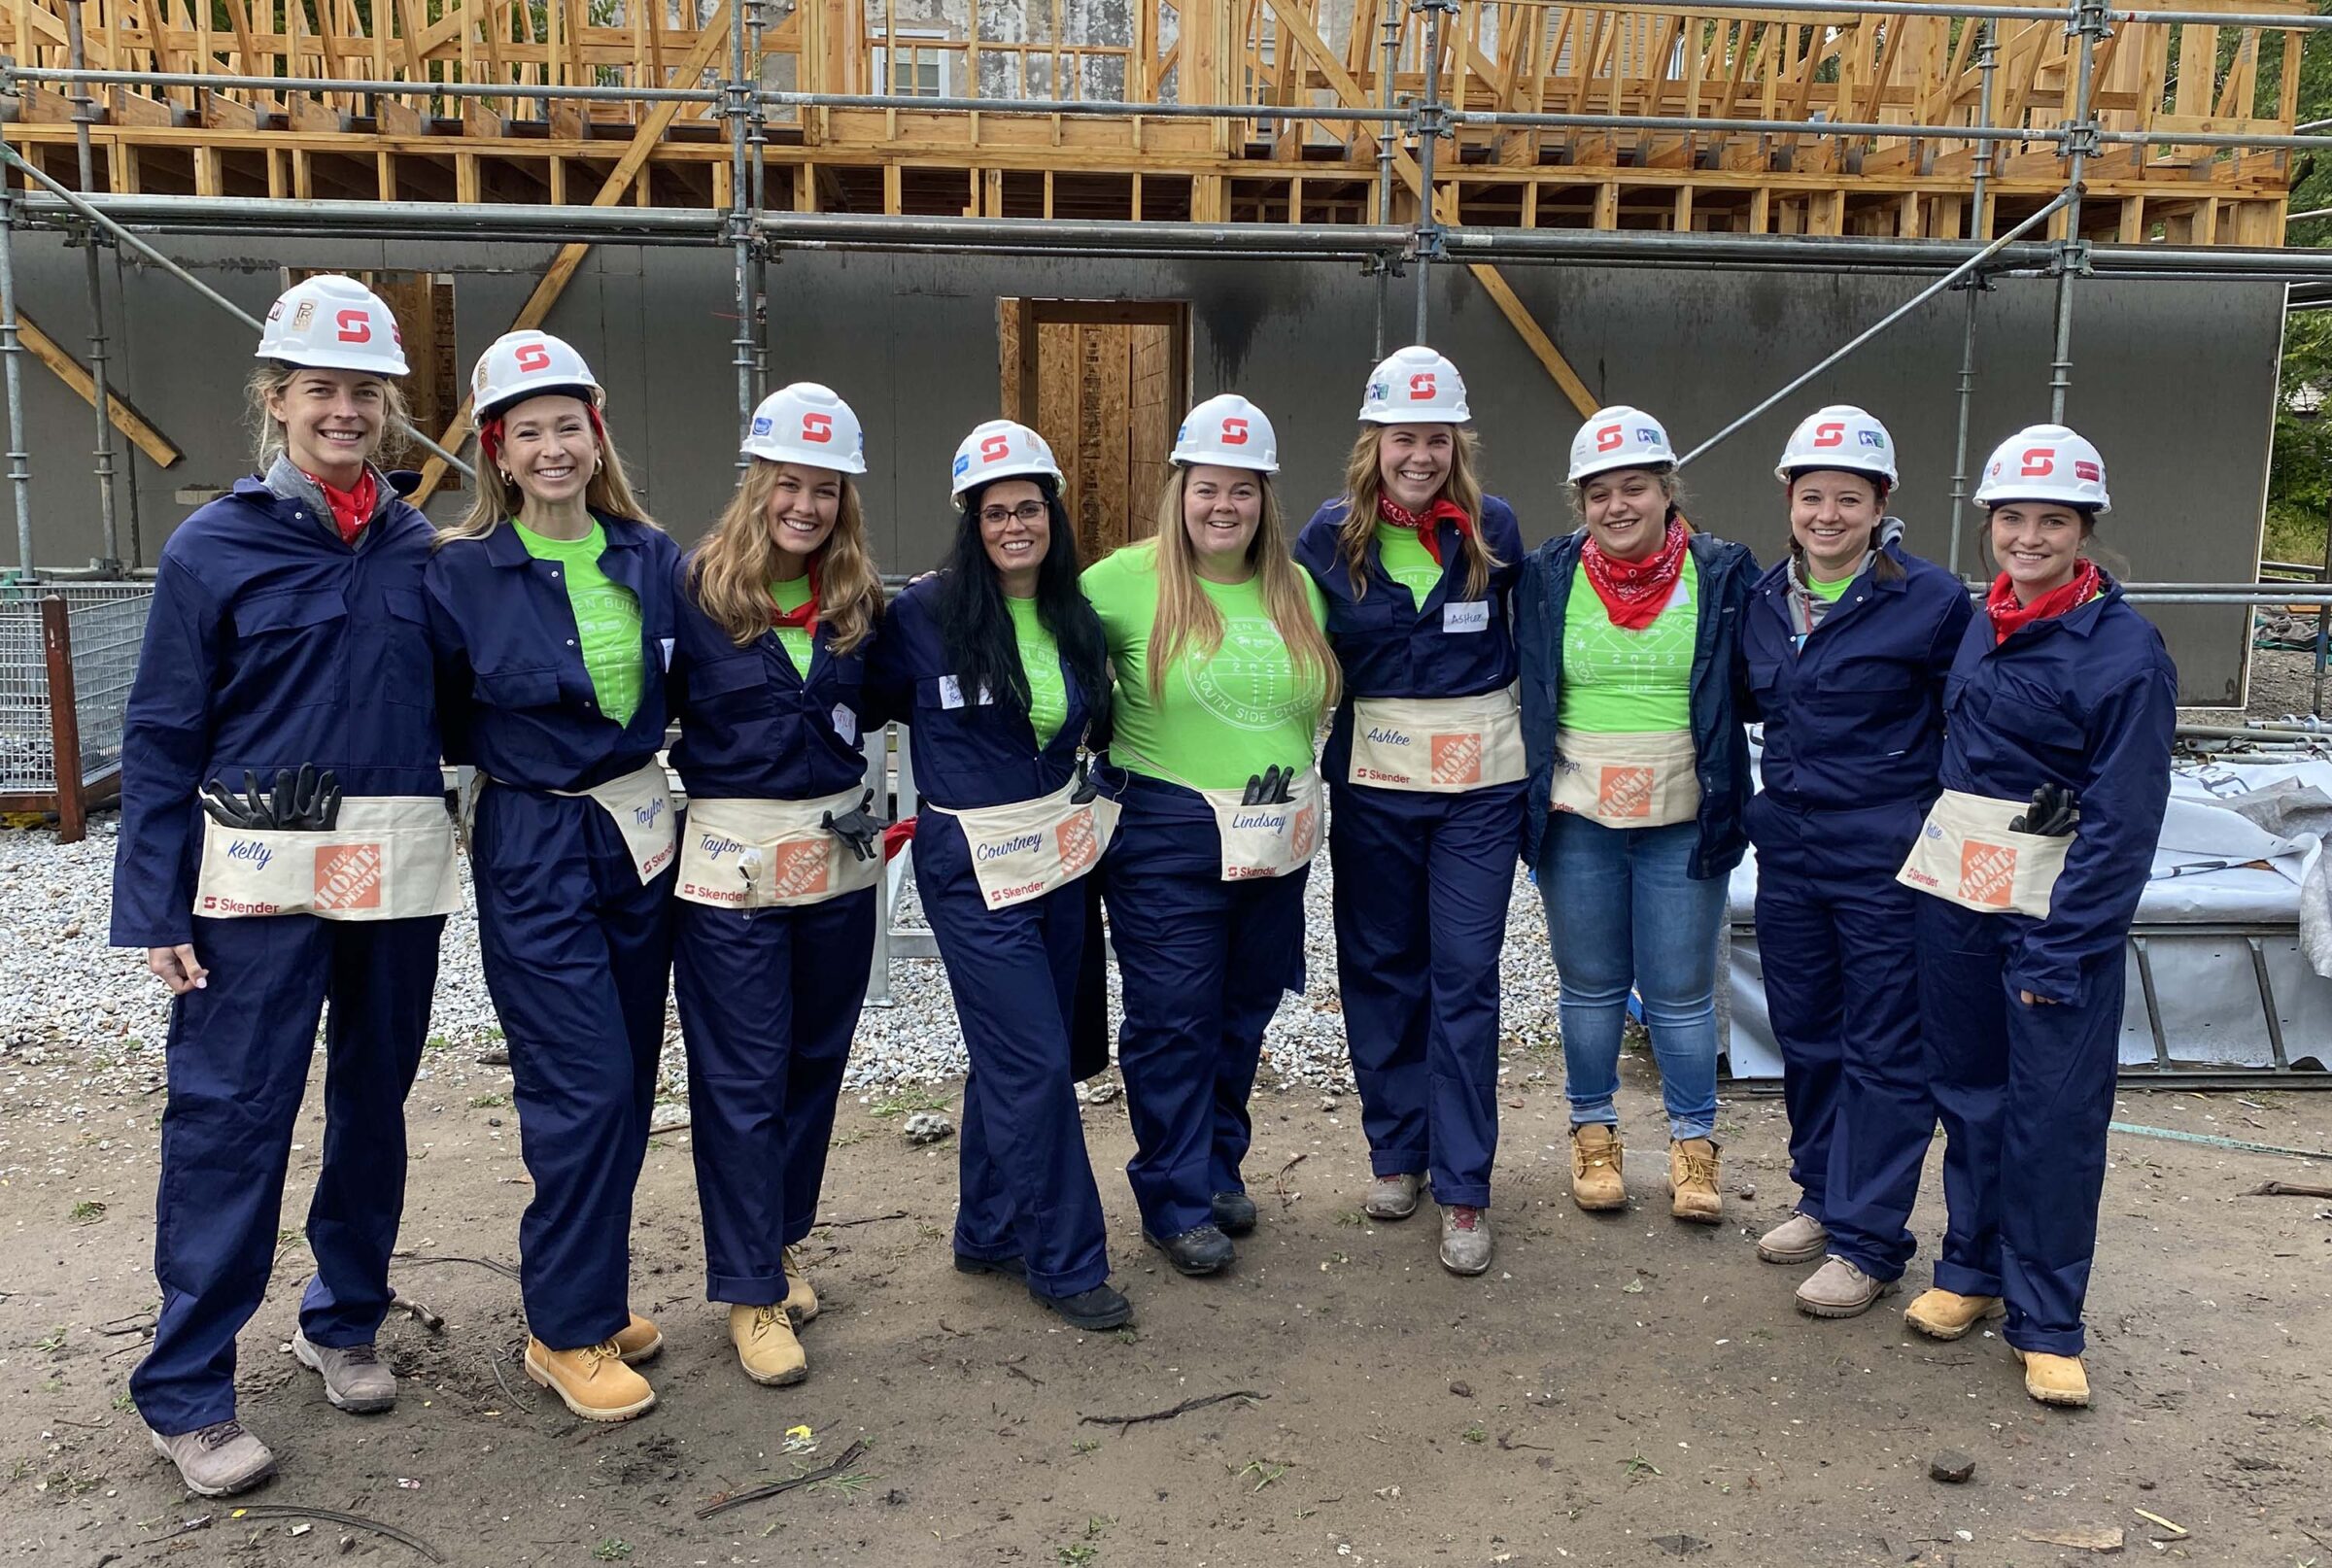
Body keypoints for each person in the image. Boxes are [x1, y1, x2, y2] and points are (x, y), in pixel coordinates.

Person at [113, 275, 456, 1497]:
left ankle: (343, 1318)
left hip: (391, 882)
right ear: (276, 399)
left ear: (390, 406)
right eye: (321, 388)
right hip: (255, 885)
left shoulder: (423, 551)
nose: (345, 410)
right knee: (233, 1115)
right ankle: (189, 1391)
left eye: (366, 390)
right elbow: (162, 732)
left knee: (373, 1101)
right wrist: (154, 905)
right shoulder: (213, 548)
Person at [423, 330, 680, 1422]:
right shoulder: (460, 573)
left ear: (597, 433)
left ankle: (595, 1295)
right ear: (498, 450)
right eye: (527, 431)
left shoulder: (651, 556)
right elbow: (436, 712)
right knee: (580, 1082)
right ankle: (563, 1329)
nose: (552, 447)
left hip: (639, 829)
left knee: (629, 1072)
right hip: (534, 839)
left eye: (568, 425)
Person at [1895, 424, 2174, 1409]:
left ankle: (2047, 1321)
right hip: (1962, 897)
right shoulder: (1985, 621)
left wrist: (2064, 945)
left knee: (2053, 1116)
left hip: (2055, 915)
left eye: (2052, 520)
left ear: (2084, 529)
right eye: (2011, 517)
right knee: (1969, 1093)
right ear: (1989, 523)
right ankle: (1970, 1270)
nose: (2028, 537)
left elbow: (2126, 819)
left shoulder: (2125, 651)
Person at [864, 419, 1130, 1329]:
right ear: (971, 521)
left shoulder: (1073, 617)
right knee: (1035, 1062)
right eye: (995, 511)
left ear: (1052, 514)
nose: (1015, 525)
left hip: (1057, 857)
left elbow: (1091, 727)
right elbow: (863, 695)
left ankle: (987, 1230)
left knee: (1015, 1054)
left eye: (1029, 507)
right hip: (970, 869)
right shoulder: (925, 615)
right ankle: (1067, 1261)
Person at [1086, 394, 1337, 1277]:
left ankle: (1218, 1165)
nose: (1223, 506)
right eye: (1207, 488)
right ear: (1179, 490)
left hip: (1275, 836)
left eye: (1242, 489)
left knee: (1241, 1013)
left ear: (1265, 497)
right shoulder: (1120, 582)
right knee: (1174, 1019)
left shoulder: (1296, 588)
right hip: (1169, 833)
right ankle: (1174, 1198)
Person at [668, 383, 887, 1385]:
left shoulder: (857, 605)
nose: (805, 505)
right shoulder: (695, 591)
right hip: (733, 880)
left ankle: (783, 1236)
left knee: (813, 1061)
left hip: (833, 869)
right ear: (756, 484)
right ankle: (749, 1290)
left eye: (825, 489)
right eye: (788, 484)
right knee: (743, 1077)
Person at [1293, 347, 1526, 1276]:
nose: (1420, 456)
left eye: (1437, 438)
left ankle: (1465, 1187)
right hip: (1377, 790)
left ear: (1458, 443)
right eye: (1403, 439)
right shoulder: (1328, 538)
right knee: (1382, 967)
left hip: (1478, 795)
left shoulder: (1492, 529)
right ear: (1374, 443)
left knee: (1464, 973)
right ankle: (1398, 1152)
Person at [1739, 407, 1973, 1316]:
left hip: (1885, 854)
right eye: (1812, 497)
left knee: (1883, 1044)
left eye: (1848, 498)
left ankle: (1870, 1240)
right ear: (1789, 502)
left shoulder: (1931, 601)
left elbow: (1966, 726)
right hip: (1793, 850)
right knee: (1806, 1030)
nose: (1827, 515)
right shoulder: (1765, 599)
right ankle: (1822, 1196)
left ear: (1881, 505)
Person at [1516, 407, 1756, 1224]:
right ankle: (1593, 1134)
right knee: (1590, 987)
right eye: (1599, 493)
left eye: (1635, 488)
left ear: (1667, 490)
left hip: (1684, 813)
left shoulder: (1721, 573)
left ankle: (1694, 1148)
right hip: (1578, 814)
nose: (1617, 506)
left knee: (1681, 992)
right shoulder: (1547, 576)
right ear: (1580, 502)